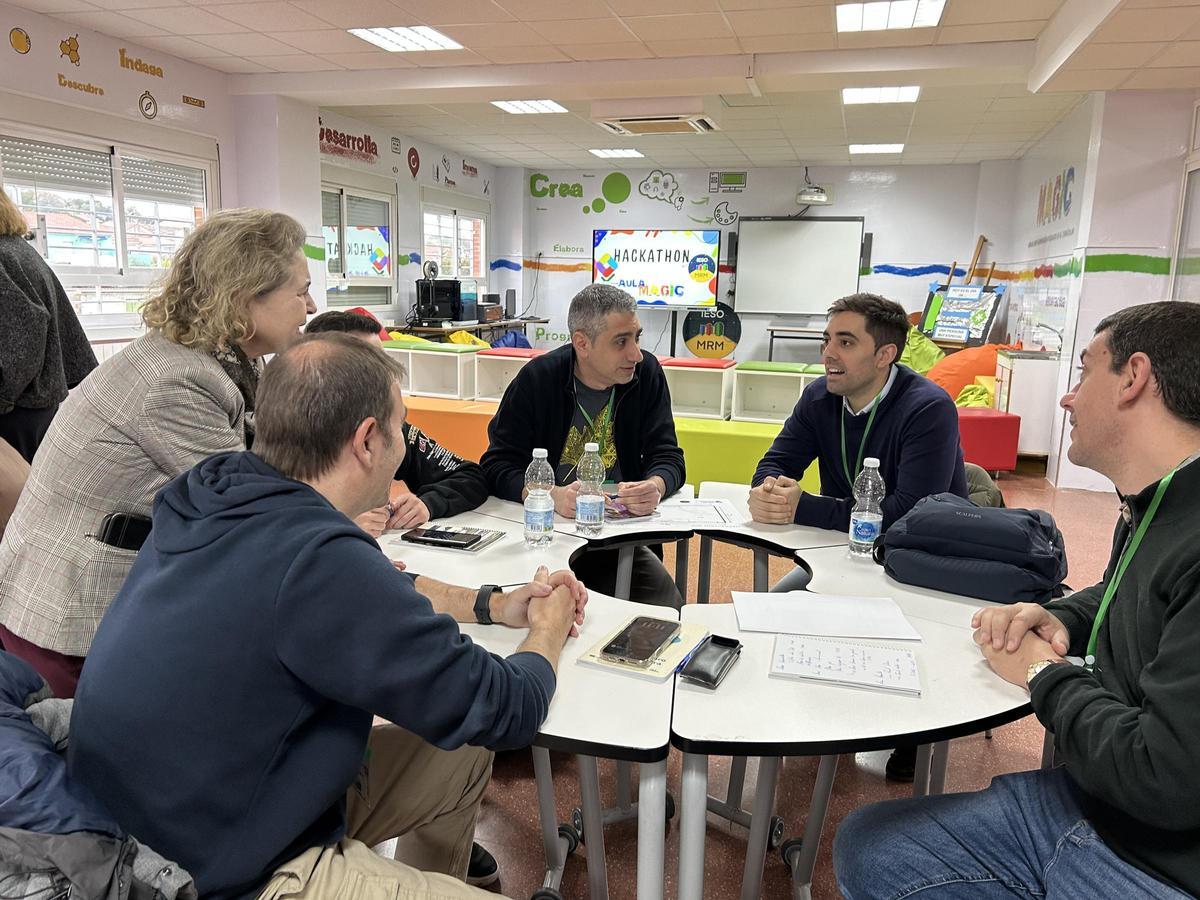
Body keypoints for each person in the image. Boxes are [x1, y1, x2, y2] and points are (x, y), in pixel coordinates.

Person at [68, 333, 588, 900]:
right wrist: (548, 627)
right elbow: (506, 707)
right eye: (399, 427)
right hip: (219, 875)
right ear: (367, 441)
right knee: (476, 733)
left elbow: (366, 590)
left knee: (458, 755)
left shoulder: (216, 495)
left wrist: (493, 603)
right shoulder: (320, 560)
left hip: (149, 829)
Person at [835, 301, 1200, 900]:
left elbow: (1161, 776)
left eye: (1085, 372)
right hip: (1097, 800)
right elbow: (1128, 594)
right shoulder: (1155, 501)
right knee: (865, 845)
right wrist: (1056, 614)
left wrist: (1041, 672)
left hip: (1155, 861)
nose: (1068, 399)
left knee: (876, 854)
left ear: (1133, 378)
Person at [0, 208, 317, 697]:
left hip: (101, 590)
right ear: (244, 297)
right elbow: (251, 512)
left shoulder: (217, 362)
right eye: (301, 292)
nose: (311, 307)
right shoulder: (178, 380)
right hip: (69, 617)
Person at [749, 293, 967, 780]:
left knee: (896, 635)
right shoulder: (819, 397)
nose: (828, 353)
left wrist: (804, 507)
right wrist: (768, 490)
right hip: (843, 554)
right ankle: (812, 708)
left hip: (919, 563)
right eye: (827, 339)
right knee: (771, 614)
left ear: (885, 354)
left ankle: (920, 727)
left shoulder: (928, 408)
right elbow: (776, 462)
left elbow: (909, 515)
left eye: (845, 342)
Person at [481, 284, 686, 608]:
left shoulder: (646, 375)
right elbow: (496, 465)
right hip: (545, 535)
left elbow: (669, 456)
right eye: (621, 341)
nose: (635, 353)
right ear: (582, 343)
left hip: (618, 542)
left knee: (666, 608)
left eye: (637, 338)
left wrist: (655, 485)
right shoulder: (538, 380)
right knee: (545, 613)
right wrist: (551, 495)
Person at [305, 310, 489, 531]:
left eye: (384, 362)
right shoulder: (289, 436)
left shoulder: (389, 430)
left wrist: (427, 504)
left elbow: (470, 476)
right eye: (368, 364)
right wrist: (339, 525)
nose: (384, 375)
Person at [0, 186, 98, 462]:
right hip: (34, 403)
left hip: (16, 409)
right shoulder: (17, 249)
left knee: (21, 486)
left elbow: (23, 338)